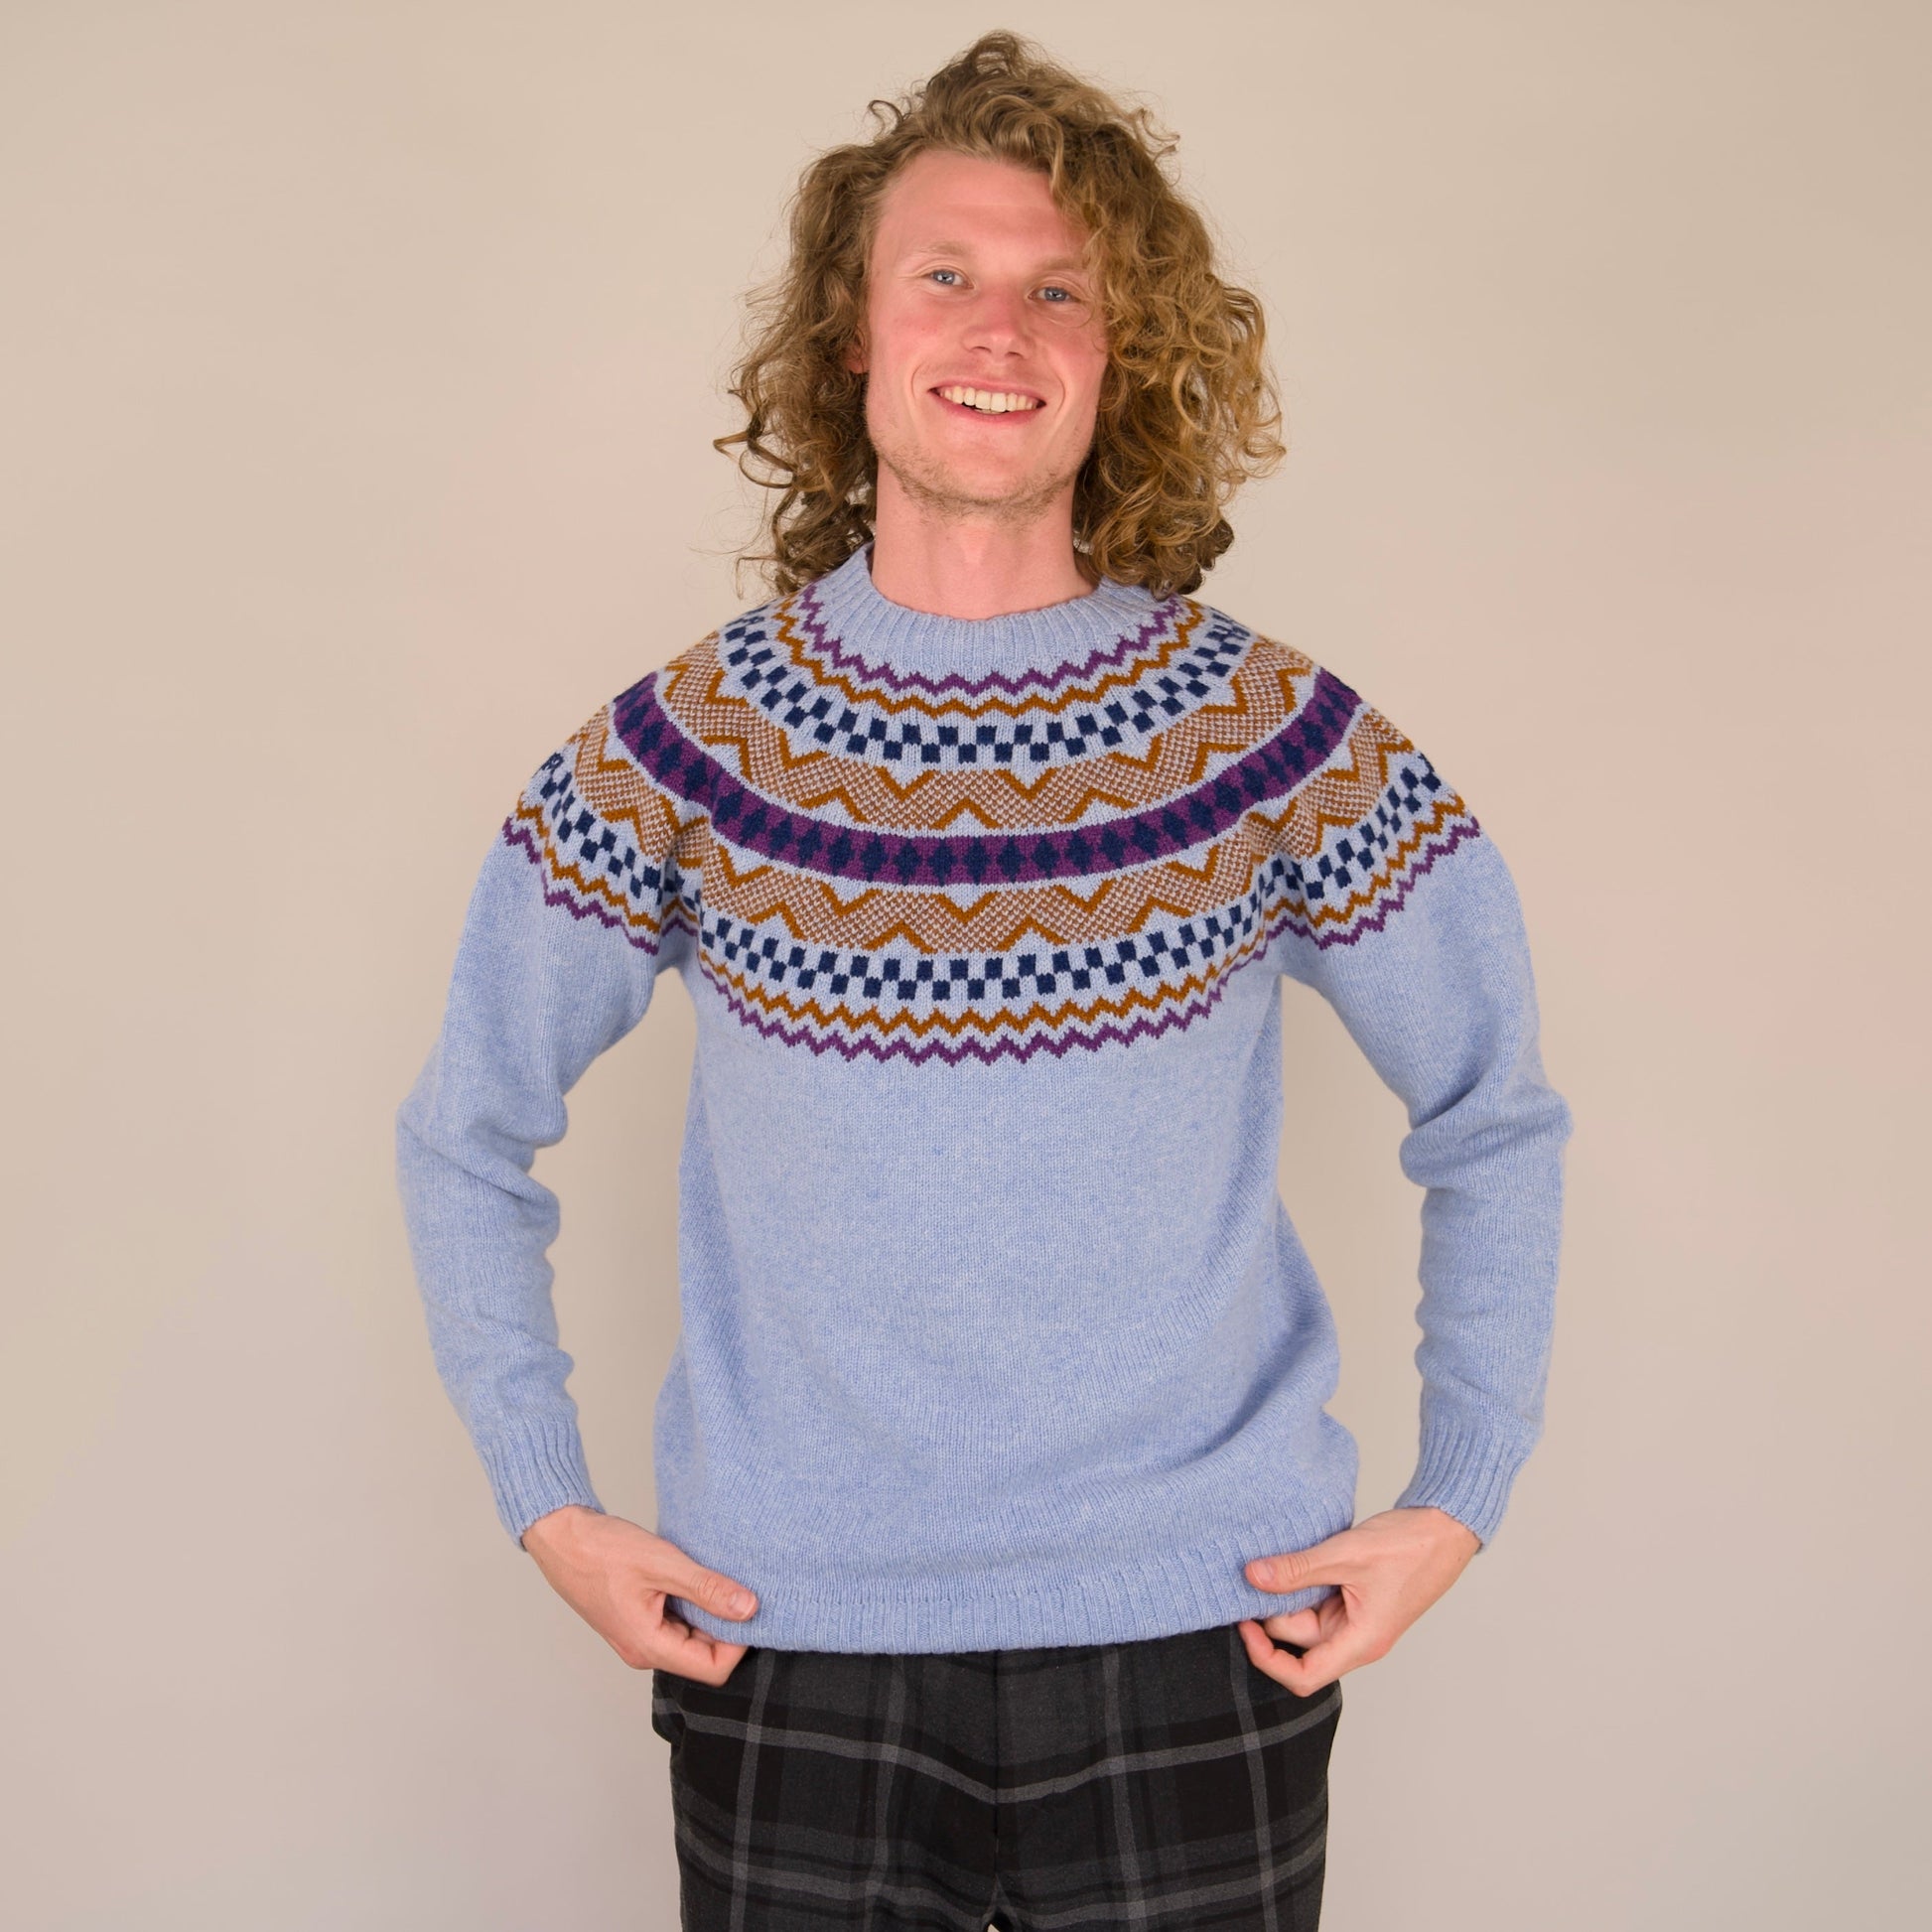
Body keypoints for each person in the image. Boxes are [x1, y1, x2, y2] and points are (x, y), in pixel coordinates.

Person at [394, 30, 1572, 1931]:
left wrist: (1463, 1487)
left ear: (1123, 357)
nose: (997, 330)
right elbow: (467, 1125)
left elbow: (1492, 1104)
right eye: (941, 274)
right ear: (848, 338)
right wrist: (546, 1496)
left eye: (1058, 291)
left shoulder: (1270, 737)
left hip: (1201, 1630)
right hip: (788, 1634)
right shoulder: (688, 747)